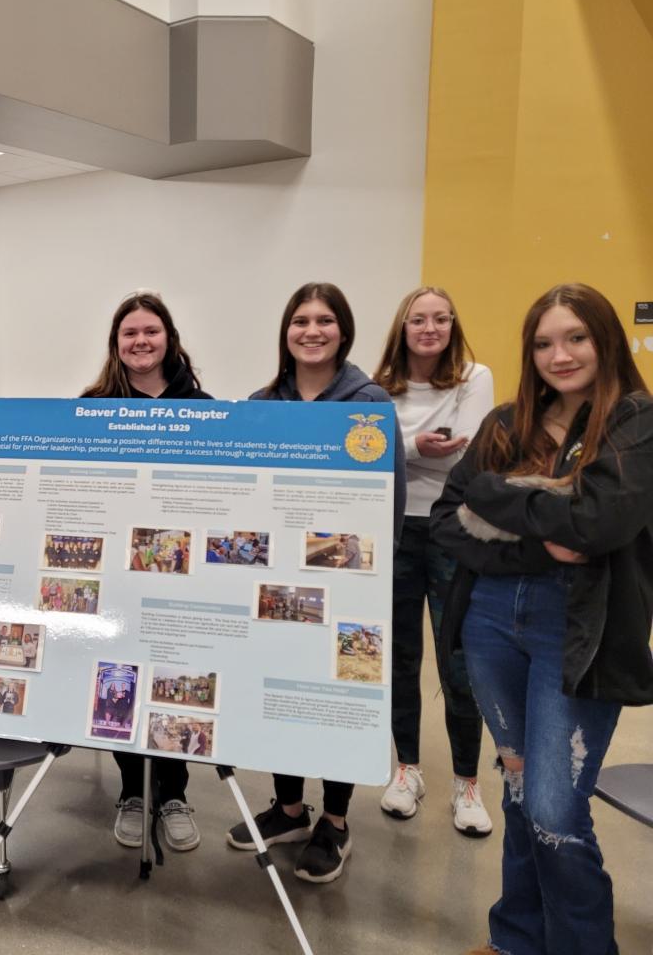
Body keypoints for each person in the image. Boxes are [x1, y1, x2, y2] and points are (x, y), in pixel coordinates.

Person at [430, 284, 653, 955]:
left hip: (576, 628)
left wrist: (494, 494)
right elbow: (447, 519)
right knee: (520, 790)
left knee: (556, 808)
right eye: (544, 343)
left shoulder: (635, 421)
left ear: (605, 338)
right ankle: (517, 939)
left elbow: (598, 524)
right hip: (492, 620)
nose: (561, 355)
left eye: (576, 337)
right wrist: (537, 538)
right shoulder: (508, 424)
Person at [227, 282, 406, 884]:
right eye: (300, 320)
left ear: (343, 331)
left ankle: (335, 820)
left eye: (324, 320)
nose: (312, 331)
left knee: (334, 697)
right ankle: (288, 809)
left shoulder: (369, 403)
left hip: (345, 581)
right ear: (286, 332)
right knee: (281, 689)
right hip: (278, 581)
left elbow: (391, 499)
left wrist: (374, 584)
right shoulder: (261, 403)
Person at [81, 296, 210, 848]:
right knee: (122, 677)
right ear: (116, 343)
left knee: (174, 674)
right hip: (119, 574)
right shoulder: (93, 408)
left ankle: (174, 792)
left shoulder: (203, 409)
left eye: (150, 331)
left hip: (180, 573)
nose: (140, 341)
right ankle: (133, 789)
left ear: (169, 338)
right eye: (129, 333)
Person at [371, 285, 495, 835]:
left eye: (441, 319)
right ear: (403, 327)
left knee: (458, 661)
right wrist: (418, 447)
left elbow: (472, 454)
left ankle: (467, 783)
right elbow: (366, 451)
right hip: (395, 528)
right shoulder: (377, 387)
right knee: (400, 658)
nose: (430, 328)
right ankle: (408, 770)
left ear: (452, 325)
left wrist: (402, 449)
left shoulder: (474, 377)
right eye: (419, 319)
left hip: (453, 530)